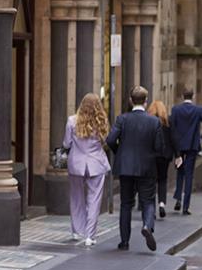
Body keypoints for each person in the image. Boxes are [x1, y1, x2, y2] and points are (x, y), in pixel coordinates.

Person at [106, 86, 163, 252]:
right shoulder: (154, 121)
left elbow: (110, 140)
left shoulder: (122, 119)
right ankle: (147, 225)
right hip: (147, 167)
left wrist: (120, 152)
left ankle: (124, 242)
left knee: (126, 204)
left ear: (131, 101)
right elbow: (159, 147)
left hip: (126, 167)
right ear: (146, 101)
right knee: (148, 201)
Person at [62, 93, 110, 247]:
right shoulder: (101, 121)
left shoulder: (72, 121)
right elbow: (105, 141)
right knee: (94, 200)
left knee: (76, 197)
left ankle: (77, 231)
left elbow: (66, 143)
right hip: (96, 163)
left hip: (76, 163)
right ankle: (90, 236)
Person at [170, 89, 202, 215]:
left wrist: (174, 144)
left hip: (179, 145)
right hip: (192, 146)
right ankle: (185, 206)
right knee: (189, 175)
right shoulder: (198, 110)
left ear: (182, 96)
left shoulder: (176, 110)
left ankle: (178, 198)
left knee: (180, 171)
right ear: (193, 97)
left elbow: (172, 128)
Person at [147, 100, 174, 218]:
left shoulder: (149, 122)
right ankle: (162, 204)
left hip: (152, 155)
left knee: (152, 181)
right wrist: (178, 154)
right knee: (163, 179)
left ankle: (152, 208)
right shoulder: (168, 122)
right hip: (165, 155)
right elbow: (173, 138)